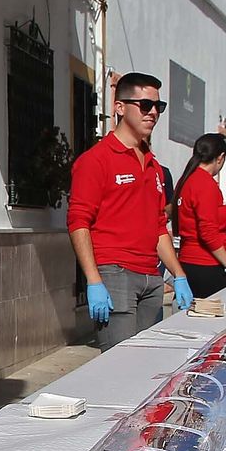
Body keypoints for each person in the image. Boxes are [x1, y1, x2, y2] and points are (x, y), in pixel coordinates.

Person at [67, 71, 194, 350]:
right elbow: (78, 221)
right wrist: (93, 279)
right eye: (145, 105)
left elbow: (159, 226)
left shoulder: (154, 166)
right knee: (119, 368)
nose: (153, 113)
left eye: (158, 107)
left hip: (151, 278)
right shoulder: (96, 161)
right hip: (115, 273)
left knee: (145, 366)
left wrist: (178, 274)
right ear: (120, 107)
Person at [174, 130, 226, 298]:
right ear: (220, 158)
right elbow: (208, 232)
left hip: (189, 259)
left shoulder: (186, 180)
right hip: (206, 264)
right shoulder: (205, 184)